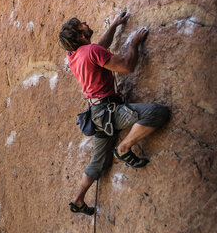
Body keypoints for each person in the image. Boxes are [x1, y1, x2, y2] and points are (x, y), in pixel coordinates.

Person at [58, 13, 170, 216]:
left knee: (98, 160)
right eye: (81, 26)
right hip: (109, 111)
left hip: (96, 114)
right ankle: (124, 148)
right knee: (157, 113)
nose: (85, 23)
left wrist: (115, 26)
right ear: (81, 37)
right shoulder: (90, 51)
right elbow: (127, 66)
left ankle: (78, 200)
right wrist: (134, 43)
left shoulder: (74, 55)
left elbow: (98, 48)